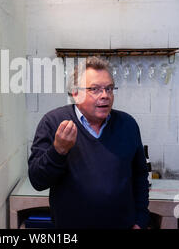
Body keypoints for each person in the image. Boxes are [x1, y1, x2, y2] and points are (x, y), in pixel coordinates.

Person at [28, 56, 149, 229]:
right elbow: (37, 181)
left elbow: (140, 176)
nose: (105, 96)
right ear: (76, 94)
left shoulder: (127, 124)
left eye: (109, 89)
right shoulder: (53, 122)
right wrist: (58, 151)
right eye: (95, 89)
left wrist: (140, 220)